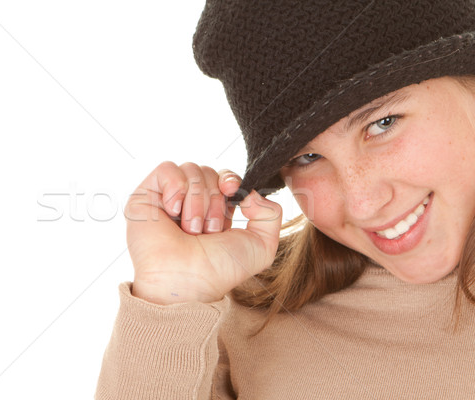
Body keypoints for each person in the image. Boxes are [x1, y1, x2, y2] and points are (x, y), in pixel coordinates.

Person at [96, 0, 475, 398]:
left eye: (382, 124)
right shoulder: (228, 326)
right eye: (306, 157)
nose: (363, 203)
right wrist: (170, 297)